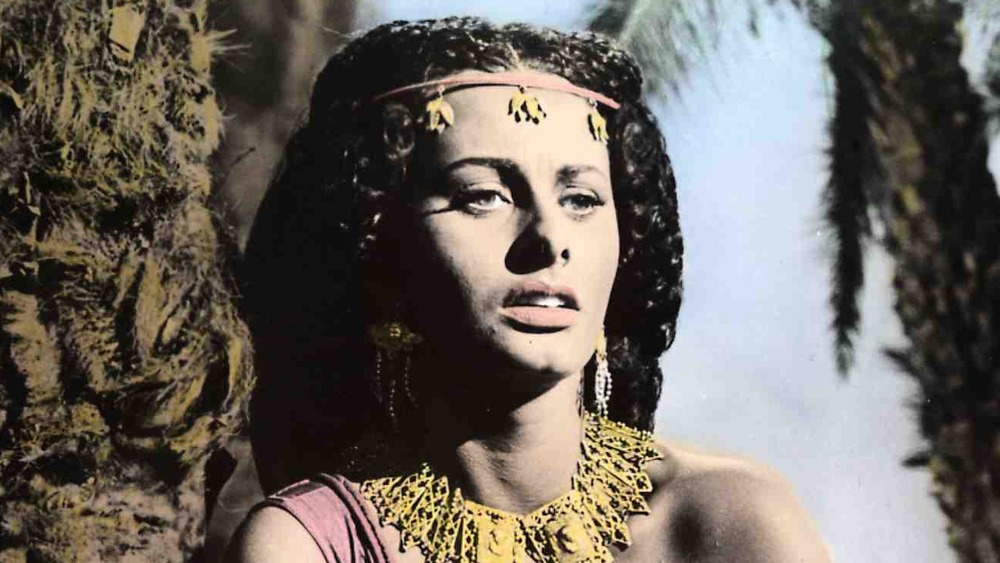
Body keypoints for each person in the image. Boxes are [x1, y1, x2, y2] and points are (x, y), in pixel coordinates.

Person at [230, 16, 830, 562]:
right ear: (377, 248)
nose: (549, 239)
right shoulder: (305, 544)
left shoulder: (732, 521)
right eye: (483, 197)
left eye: (581, 200)